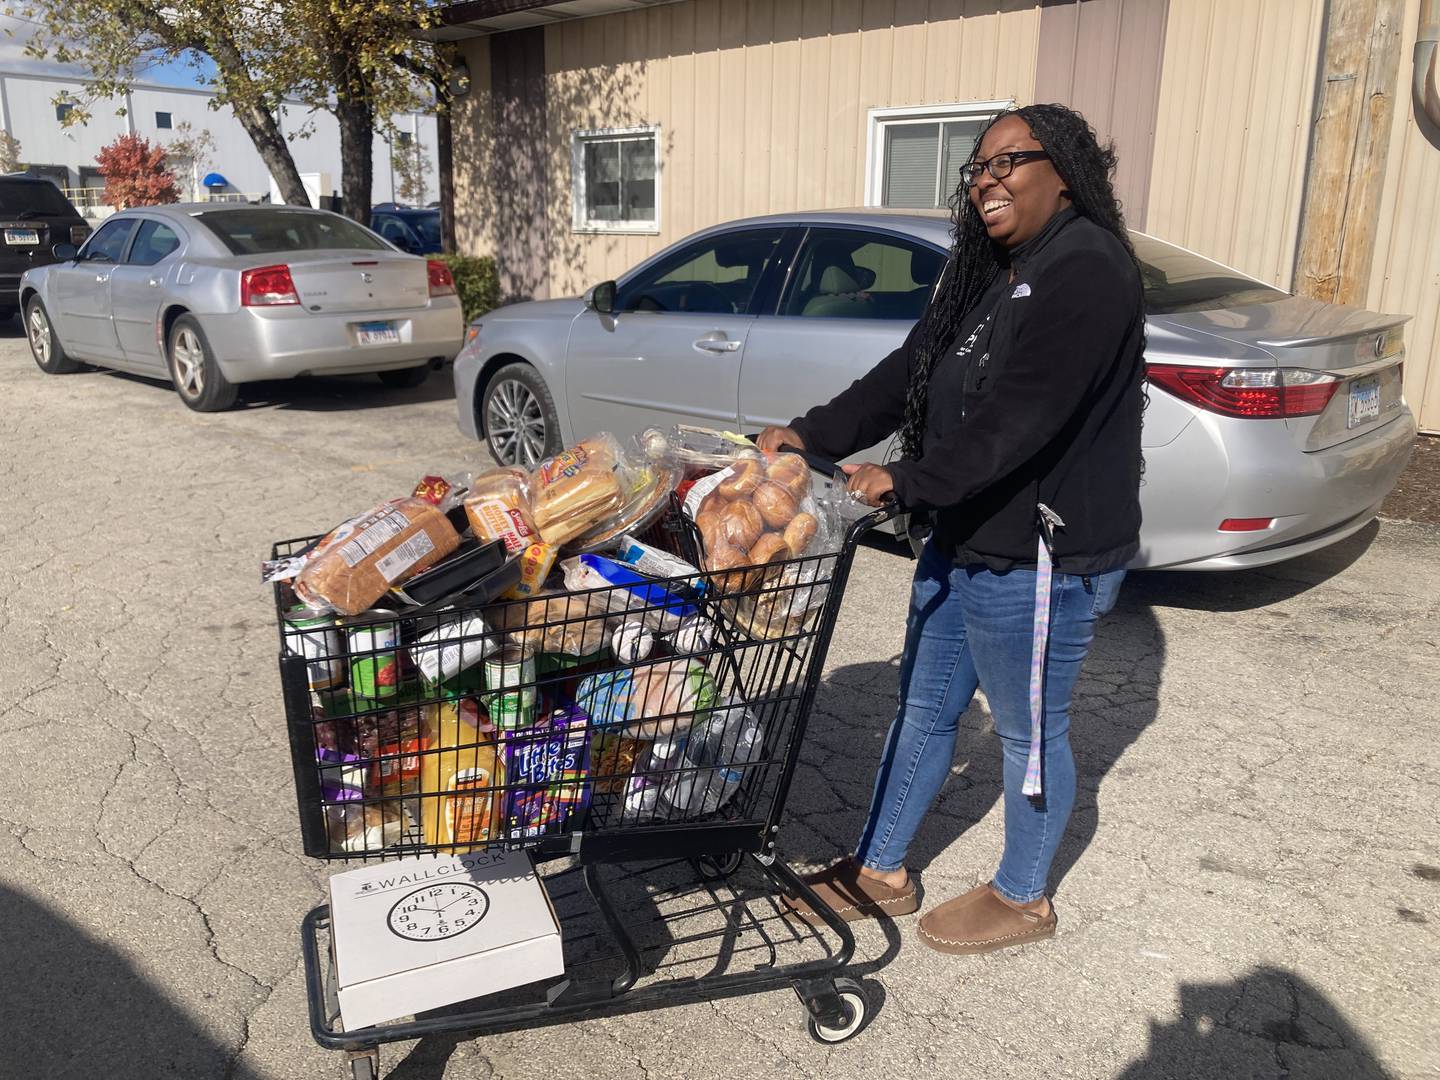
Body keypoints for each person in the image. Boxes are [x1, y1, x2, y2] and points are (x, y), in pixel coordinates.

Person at [759, 103, 1144, 956]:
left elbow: (1023, 417)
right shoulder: (986, 269)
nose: (987, 182)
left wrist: (907, 479)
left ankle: (1024, 896)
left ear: (1066, 169)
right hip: (963, 534)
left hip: (1038, 552)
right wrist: (813, 433)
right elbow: (908, 373)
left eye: (1010, 162)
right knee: (925, 708)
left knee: (1025, 732)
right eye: (978, 169)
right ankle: (883, 870)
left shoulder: (1089, 266)